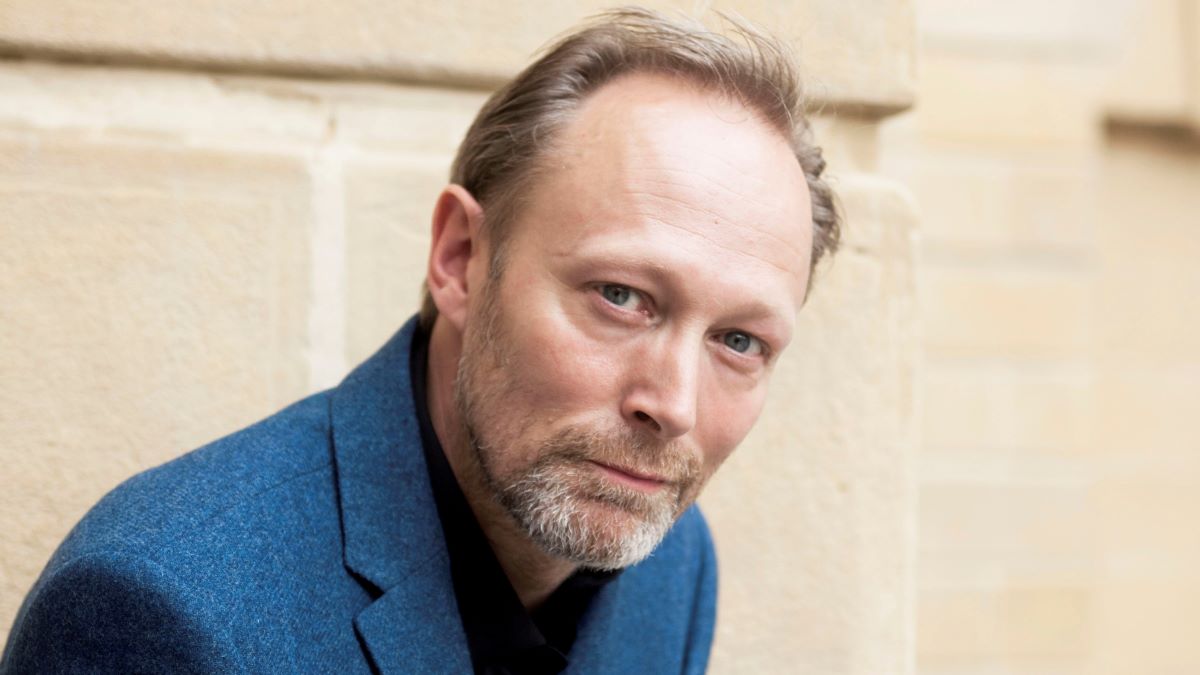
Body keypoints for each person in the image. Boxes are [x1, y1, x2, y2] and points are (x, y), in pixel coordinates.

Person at [1, 7, 839, 674]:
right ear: (461, 259)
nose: (673, 405)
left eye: (739, 340)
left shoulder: (671, 563)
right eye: (621, 297)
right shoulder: (159, 609)